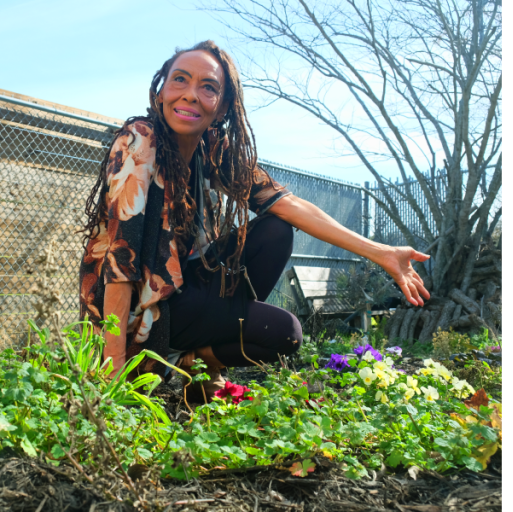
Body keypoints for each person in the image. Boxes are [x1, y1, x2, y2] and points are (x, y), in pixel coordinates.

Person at [79, 41, 429, 400]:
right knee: (284, 332)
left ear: (223, 106)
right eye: (179, 80)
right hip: (147, 310)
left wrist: (380, 252)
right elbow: (121, 258)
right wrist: (113, 361)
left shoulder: (213, 148)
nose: (190, 95)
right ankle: (189, 361)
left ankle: (199, 365)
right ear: (161, 90)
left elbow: (289, 205)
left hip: (187, 290)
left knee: (276, 231)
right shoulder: (141, 139)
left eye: (208, 87)